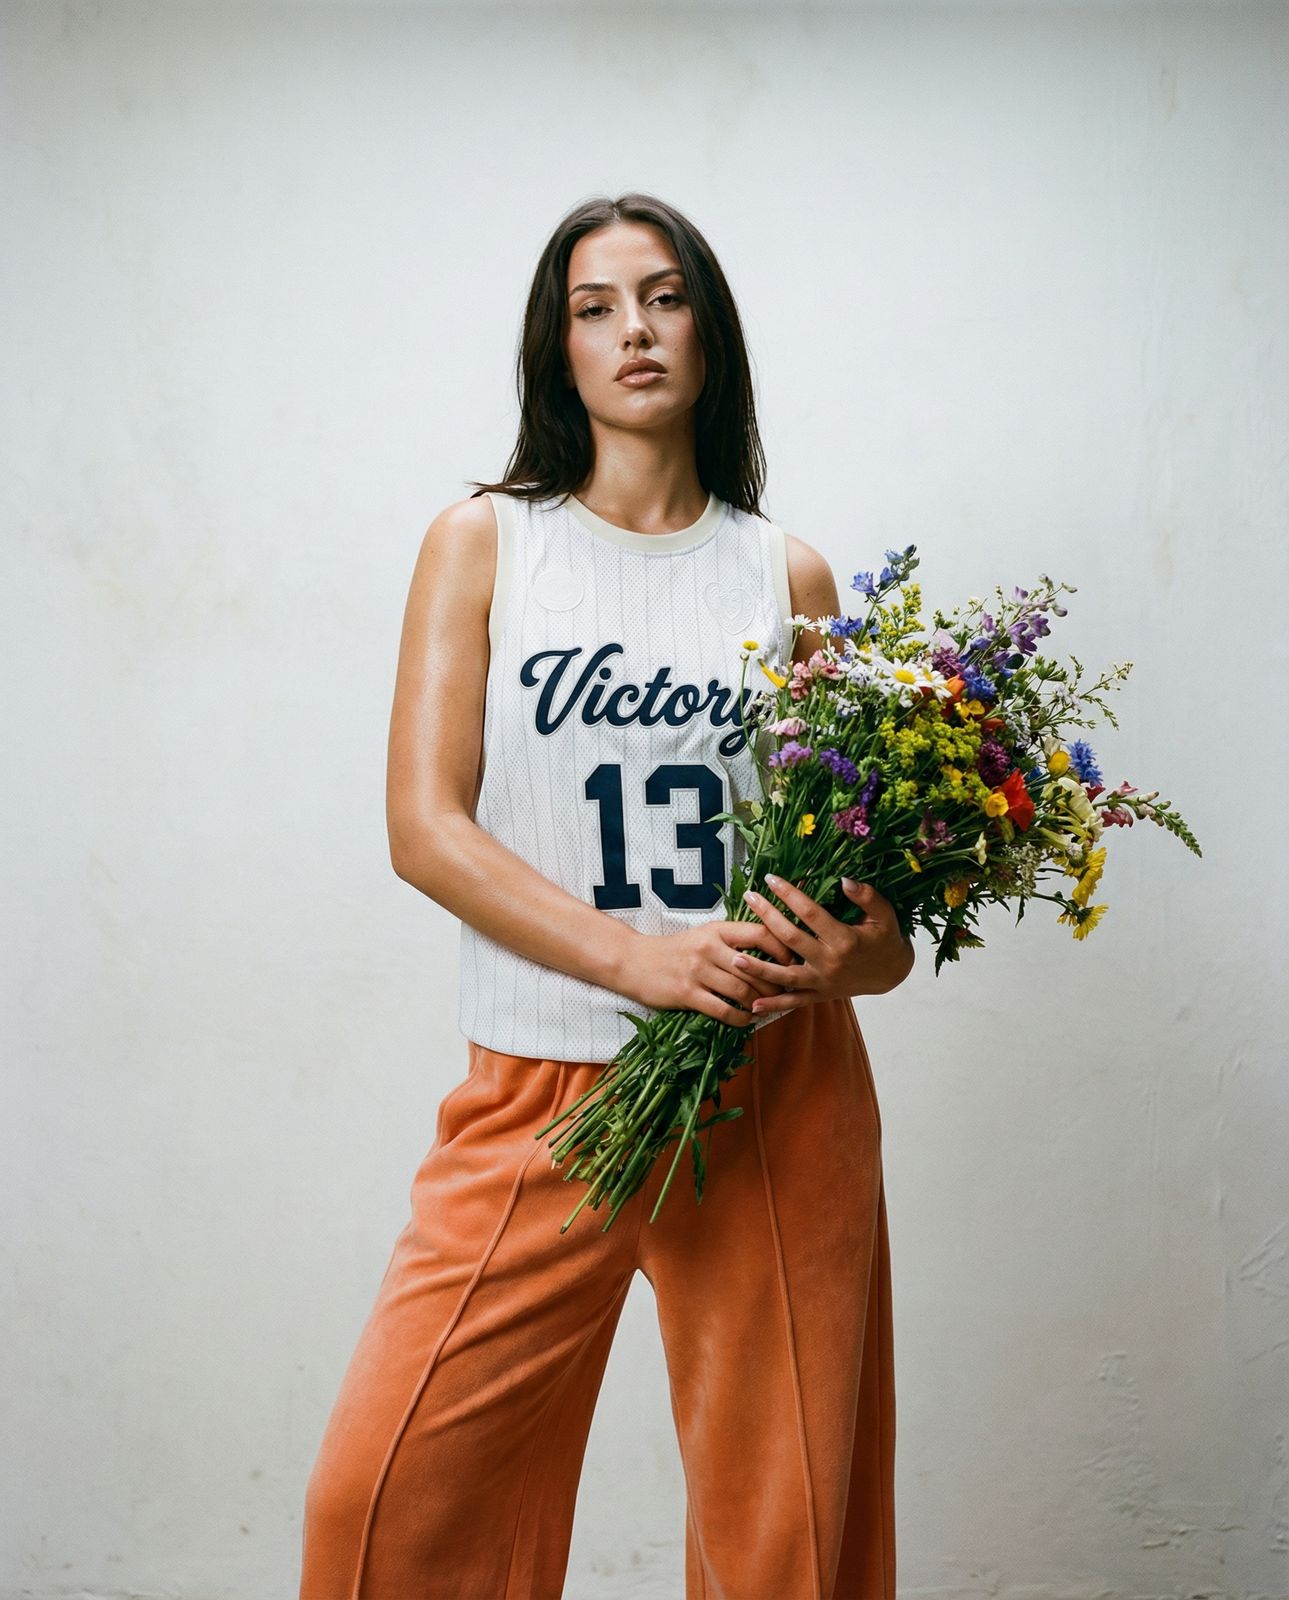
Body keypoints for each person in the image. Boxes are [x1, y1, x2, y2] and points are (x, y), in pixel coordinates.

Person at [298, 192, 913, 1600]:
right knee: (382, 1504)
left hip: (772, 1092)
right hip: (546, 1096)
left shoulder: (786, 573)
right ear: (556, 348)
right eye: (593, 306)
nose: (631, 329)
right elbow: (422, 826)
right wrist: (636, 966)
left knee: (790, 1543)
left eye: (663, 296)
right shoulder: (484, 542)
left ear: (710, 329)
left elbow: (860, 906)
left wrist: (865, 952)